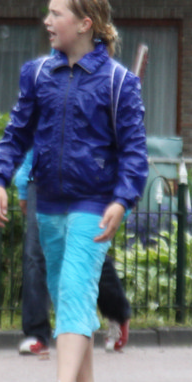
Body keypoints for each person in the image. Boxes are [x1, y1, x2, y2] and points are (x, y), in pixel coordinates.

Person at [0, 0, 148, 382]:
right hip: (49, 201)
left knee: (75, 289)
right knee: (67, 297)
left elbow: (134, 152)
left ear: (84, 24)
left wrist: (122, 199)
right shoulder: (38, 74)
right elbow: (16, 134)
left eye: (56, 14)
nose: (47, 21)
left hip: (94, 203)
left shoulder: (118, 82)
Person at [14, 148, 132, 356]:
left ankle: (117, 312)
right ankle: (36, 334)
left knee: (87, 252)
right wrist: (24, 182)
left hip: (86, 176)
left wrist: (123, 199)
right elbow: (31, 138)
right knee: (35, 253)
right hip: (42, 179)